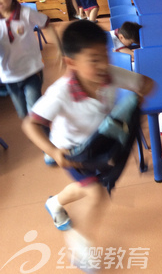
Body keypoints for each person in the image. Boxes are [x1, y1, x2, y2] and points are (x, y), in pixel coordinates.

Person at [22, 20, 154, 266]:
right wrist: (53, 151)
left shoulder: (109, 74)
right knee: (96, 194)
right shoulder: (61, 92)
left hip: (99, 144)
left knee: (88, 187)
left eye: (105, 55)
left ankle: (54, 202)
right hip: (72, 150)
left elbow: (146, 83)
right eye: (93, 60)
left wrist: (137, 98)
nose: (103, 64)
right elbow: (29, 125)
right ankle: (81, 249)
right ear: (72, 63)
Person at [0, 0, 60, 121]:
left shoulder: (26, 13)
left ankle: (46, 140)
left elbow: (48, 25)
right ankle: (36, 132)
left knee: (36, 113)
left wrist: (60, 48)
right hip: (9, 76)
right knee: (23, 114)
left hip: (32, 71)